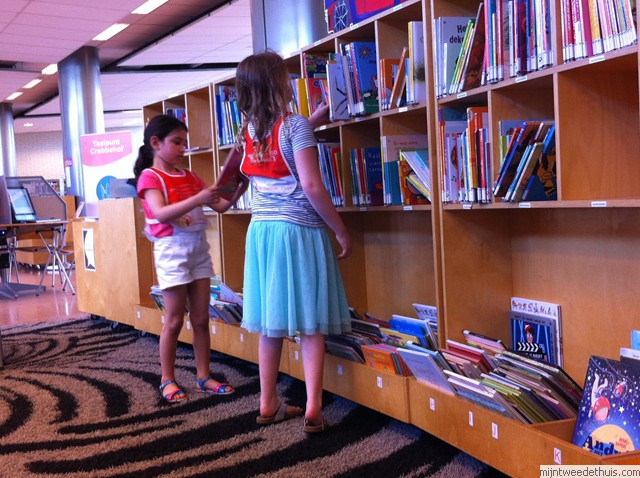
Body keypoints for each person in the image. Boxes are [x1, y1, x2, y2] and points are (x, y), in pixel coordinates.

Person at [210, 50, 352, 433]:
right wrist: (340, 230)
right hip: (299, 232)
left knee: (271, 324)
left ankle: (267, 401)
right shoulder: (296, 127)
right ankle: (313, 407)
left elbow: (271, 155)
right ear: (279, 83)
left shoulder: (247, 133)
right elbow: (311, 185)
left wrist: (311, 123)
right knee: (311, 324)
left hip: (262, 233)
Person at [133, 114, 235, 402]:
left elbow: (222, 205)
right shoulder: (150, 177)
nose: (183, 148)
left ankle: (204, 376)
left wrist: (239, 179)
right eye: (177, 142)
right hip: (172, 251)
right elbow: (160, 212)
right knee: (174, 319)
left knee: (201, 318)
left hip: (198, 251)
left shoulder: (190, 176)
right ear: (156, 143)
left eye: (184, 143)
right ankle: (167, 379)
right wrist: (198, 199)